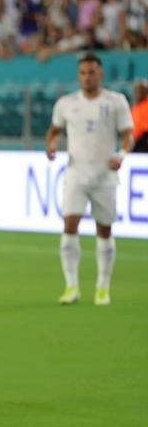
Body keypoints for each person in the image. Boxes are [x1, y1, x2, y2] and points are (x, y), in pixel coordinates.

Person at [46, 54, 134, 306]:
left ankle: (103, 287)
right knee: (69, 224)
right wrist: (51, 145)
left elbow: (127, 133)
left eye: (92, 72)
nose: (87, 77)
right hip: (76, 173)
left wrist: (122, 154)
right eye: (83, 72)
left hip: (105, 174)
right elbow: (54, 130)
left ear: (101, 74)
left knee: (104, 229)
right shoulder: (66, 103)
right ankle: (71, 286)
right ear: (78, 75)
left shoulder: (116, 102)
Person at [131, 80, 148, 153]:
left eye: (141, 90)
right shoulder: (135, 108)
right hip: (136, 141)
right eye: (136, 91)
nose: (137, 93)